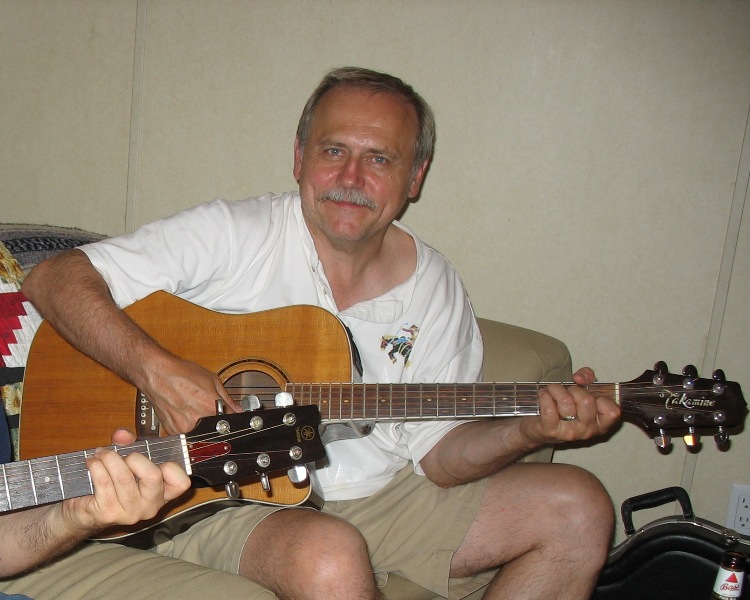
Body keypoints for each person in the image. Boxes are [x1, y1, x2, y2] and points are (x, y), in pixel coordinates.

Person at [22, 66, 621, 600]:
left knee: (579, 507)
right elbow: (54, 279)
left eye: (379, 159)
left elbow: (439, 457)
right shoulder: (235, 234)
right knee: (330, 556)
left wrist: (529, 429)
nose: (350, 177)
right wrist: (159, 372)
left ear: (415, 177)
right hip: (223, 496)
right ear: (299, 158)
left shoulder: (435, 284)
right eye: (333, 150)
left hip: (383, 496)